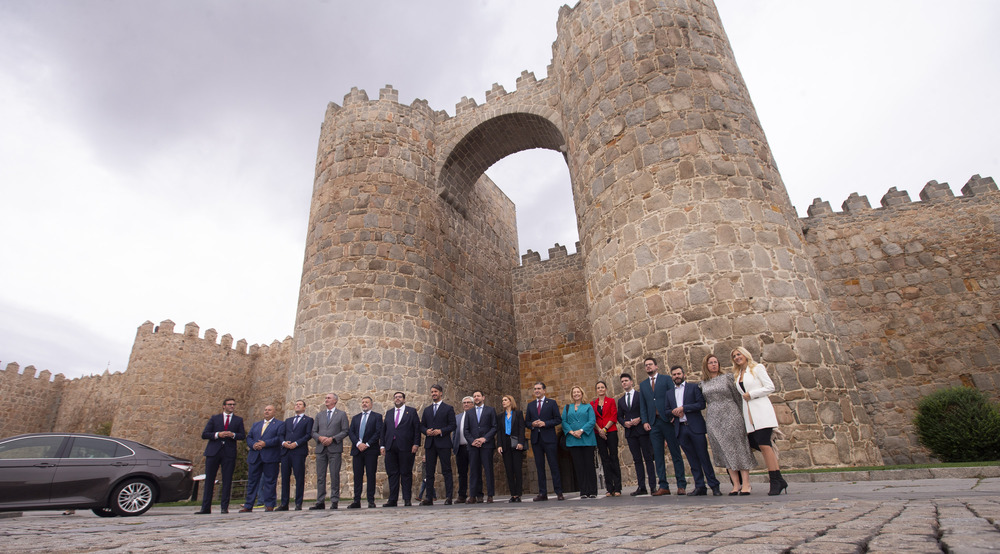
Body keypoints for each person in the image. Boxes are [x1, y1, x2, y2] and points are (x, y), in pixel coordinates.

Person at [732, 347, 787, 495]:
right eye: (735, 356)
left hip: (762, 413)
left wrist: (752, 394)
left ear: (745, 355)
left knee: (764, 445)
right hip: (750, 416)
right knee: (762, 445)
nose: (737, 357)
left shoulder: (757, 368)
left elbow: (770, 387)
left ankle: (775, 480)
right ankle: (779, 479)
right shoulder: (738, 375)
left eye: (739, 354)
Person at [700, 354, 756, 495]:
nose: (714, 365)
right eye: (711, 363)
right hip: (714, 418)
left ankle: (746, 484)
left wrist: (741, 416)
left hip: (731, 414)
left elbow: (738, 397)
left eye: (715, 362)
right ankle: (736, 484)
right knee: (724, 450)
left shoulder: (728, 378)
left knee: (739, 447)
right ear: (706, 366)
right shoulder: (703, 383)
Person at [666, 365, 722, 496]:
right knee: (692, 459)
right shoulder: (669, 393)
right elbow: (666, 410)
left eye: (679, 374)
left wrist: (684, 408)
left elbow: (701, 404)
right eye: (674, 375)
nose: (677, 376)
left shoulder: (693, 387)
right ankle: (700, 486)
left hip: (695, 427)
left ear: (683, 374)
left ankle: (714, 485)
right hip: (681, 429)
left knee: (704, 457)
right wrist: (674, 412)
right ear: (672, 377)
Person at [639, 356, 687, 496]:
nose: (648, 367)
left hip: (667, 421)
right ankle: (663, 485)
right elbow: (643, 404)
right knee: (658, 455)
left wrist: (673, 415)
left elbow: (673, 397)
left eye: (650, 365)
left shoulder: (666, 379)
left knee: (675, 453)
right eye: (646, 365)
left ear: (656, 366)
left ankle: (681, 484)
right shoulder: (643, 385)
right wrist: (645, 421)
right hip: (653, 424)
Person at [197, 398, 246, 514]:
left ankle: (224, 507)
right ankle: (205, 507)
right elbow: (205, 434)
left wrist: (233, 435)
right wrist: (218, 434)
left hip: (229, 452)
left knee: (227, 480)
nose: (232, 406)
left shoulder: (238, 420)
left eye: (234, 404)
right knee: (209, 479)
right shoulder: (215, 418)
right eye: (230, 404)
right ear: (224, 406)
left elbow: (242, 435)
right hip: (213, 451)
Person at [240, 405, 285, 512]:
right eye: (265, 410)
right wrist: (253, 444)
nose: (267, 412)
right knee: (252, 481)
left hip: (270, 456)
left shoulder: (279, 424)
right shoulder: (256, 425)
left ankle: (269, 504)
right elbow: (249, 437)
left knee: (270, 481)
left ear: (274, 412)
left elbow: (279, 438)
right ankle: (248, 504)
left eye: (269, 410)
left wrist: (266, 443)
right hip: (255, 456)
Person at [525, 382, 564, 501]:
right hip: (536, 440)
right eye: (535, 389)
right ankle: (542, 493)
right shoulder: (530, 405)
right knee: (539, 467)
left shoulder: (551, 403)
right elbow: (526, 422)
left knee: (553, 465)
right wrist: (532, 424)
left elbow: (558, 419)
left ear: (544, 390)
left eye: (539, 389)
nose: (536, 391)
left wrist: (545, 423)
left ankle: (559, 492)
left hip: (549, 439)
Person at [618, 373, 655, 496]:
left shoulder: (640, 396)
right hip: (631, 433)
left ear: (631, 382)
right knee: (637, 460)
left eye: (626, 381)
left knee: (648, 458)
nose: (624, 383)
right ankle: (641, 486)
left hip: (642, 430)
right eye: (622, 381)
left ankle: (653, 486)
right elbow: (619, 416)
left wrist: (640, 418)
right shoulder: (621, 400)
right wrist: (624, 423)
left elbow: (646, 409)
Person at [311, 392, 350, 510]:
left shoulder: (341, 415)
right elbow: (313, 431)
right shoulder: (319, 415)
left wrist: (332, 439)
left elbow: (345, 431)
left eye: (329, 398)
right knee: (320, 476)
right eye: (326, 398)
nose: (326, 400)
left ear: (335, 401)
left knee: (334, 475)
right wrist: (320, 438)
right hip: (321, 449)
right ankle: (320, 501)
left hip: (334, 449)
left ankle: (334, 500)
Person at [381, 391, 420, 507]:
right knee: (392, 474)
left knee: (406, 473)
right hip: (390, 446)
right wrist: (382, 445)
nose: (397, 399)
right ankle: (392, 499)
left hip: (406, 446)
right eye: (395, 397)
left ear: (404, 399)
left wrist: (416, 444)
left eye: (399, 397)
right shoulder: (389, 413)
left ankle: (407, 499)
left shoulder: (411, 412)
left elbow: (416, 429)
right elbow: (384, 430)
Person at [419, 384, 456, 505]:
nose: (433, 393)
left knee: (446, 470)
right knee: (429, 472)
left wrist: (441, 431)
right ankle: (429, 497)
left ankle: (449, 496)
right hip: (430, 444)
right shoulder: (427, 410)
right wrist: (426, 431)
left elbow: (452, 425)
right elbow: (422, 425)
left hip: (443, 443)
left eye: (435, 391)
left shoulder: (448, 408)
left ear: (441, 393)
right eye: (432, 392)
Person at [563, 386, 598, 498]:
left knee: (589, 465)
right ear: (572, 395)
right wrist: (572, 432)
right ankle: (583, 490)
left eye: (578, 392)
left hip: (587, 439)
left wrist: (581, 430)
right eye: (574, 392)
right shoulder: (567, 407)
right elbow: (564, 421)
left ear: (582, 394)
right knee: (579, 466)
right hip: (573, 440)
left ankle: (592, 490)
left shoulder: (588, 407)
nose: (576, 394)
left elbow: (592, 420)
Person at [278, 400, 313, 510]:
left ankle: (298, 503)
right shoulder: (288, 421)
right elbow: (281, 434)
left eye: (300, 404)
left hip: (298, 452)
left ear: (304, 407)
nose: (297, 406)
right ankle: (284, 503)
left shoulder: (308, 420)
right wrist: (284, 443)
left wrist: (296, 443)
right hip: (286, 452)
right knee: (285, 478)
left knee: (299, 477)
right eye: (296, 404)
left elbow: (308, 435)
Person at [347, 396, 382, 508]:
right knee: (357, 475)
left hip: (370, 450)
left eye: (366, 402)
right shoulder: (356, 418)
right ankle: (356, 500)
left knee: (371, 475)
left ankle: (370, 500)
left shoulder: (377, 417)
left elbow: (378, 432)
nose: (364, 404)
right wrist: (358, 444)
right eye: (362, 402)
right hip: (357, 450)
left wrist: (367, 444)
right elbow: (351, 432)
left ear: (371, 404)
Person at [464, 390, 497, 503]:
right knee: (474, 471)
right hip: (473, 446)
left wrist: (484, 439)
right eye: (474, 396)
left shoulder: (490, 410)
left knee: (488, 470)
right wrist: (472, 441)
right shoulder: (469, 412)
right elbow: (466, 430)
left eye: (478, 396)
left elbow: (494, 427)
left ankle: (490, 495)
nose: (476, 398)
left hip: (486, 445)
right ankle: (474, 495)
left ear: (483, 397)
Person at [591, 380, 622, 497]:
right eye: (598, 388)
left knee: (614, 457)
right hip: (598, 432)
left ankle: (618, 487)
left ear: (606, 389)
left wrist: (605, 429)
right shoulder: (592, 404)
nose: (600, 389)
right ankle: (609, 488)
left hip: (611, 431)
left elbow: (614, 416)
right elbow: (592, 418)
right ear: (596, 390)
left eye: (602, 387)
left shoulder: (611, 401)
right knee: (604, 459)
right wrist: (599, 430)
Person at [496, 394, 526, 502]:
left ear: (510, 401)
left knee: (517, 469)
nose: (503, 402)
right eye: (502, 400)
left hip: (516, 443)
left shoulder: (518, 414)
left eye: (505, 400)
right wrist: (499, 445)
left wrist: (521, 442)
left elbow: (521, 429)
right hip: (505, 444)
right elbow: (499, 431)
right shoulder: (500, 416)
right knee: (509, 470)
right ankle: (513, 494)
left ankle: (518, 494)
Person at [452, 396, 474, 503]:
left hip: (472, 447)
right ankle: (462, 495)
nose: (466, 404)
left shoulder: (475, 416)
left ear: (472, 404)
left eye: (468, 402)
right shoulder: (458, 417)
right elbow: (454, 432)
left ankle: (474, 494)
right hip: (460, 448)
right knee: (462, 473)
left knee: (474, 472)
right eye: (464, 402)